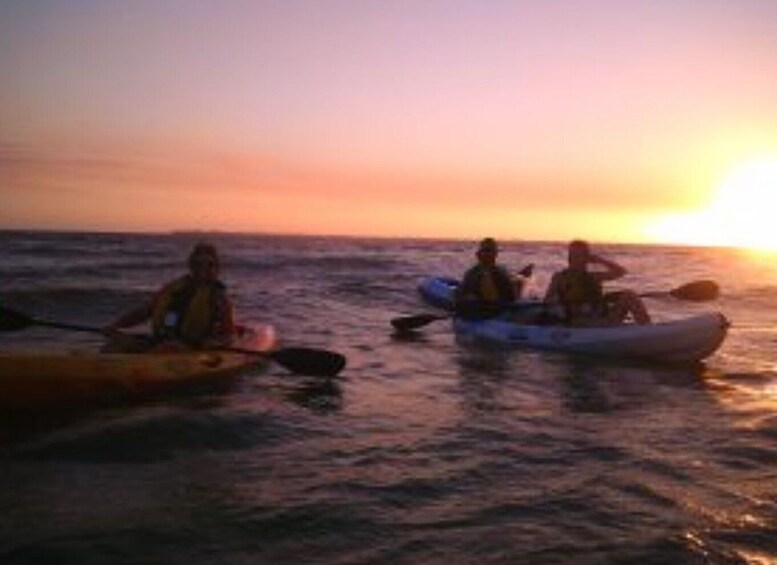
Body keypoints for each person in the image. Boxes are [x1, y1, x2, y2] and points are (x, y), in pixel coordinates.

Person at [102, 241, 235, 352]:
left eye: (210, 264)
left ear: (217, 268)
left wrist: (213, 343)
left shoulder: (219, 297)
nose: (203, 268)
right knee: (111, 347)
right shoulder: (173, 288)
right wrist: (115, 326)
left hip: (193, 347)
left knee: (166, 349)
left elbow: (228, 335)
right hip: (161, 340)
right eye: (198, 263)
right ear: (190, 265)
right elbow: (144, 311)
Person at [543, 239, 651, 326]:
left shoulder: (593, 277)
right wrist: (562, 305)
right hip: (579, 322)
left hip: (601, 319)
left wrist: (600, 260)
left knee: (629, 295)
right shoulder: (559, 277)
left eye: (582, 255)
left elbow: (621, 272)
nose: (576, 259)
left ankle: (647, 330)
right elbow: (547, 301)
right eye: (574, 255)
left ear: (587, 258)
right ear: (569, 257)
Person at [455, 237, 527, 316]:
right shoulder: (472, 274)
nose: (488, 254)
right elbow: (461, 297)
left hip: (500, 307)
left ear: (496, 254)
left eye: (490, 251)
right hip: (484, 308)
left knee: (517, 281)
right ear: (479, 254)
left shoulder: (500, 273)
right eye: (485, 251)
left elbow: (511, 298)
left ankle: (521, 278)